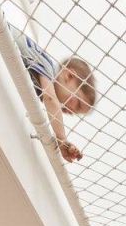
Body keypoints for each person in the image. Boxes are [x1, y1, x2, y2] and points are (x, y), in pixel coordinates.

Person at [10, 25, 97, 162]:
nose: (72, 111)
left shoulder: (38, 86)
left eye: (77, 112)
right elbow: (50, 100)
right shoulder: (48, 67)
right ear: (69, 76)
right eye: (78, 104)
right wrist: (62, 139)